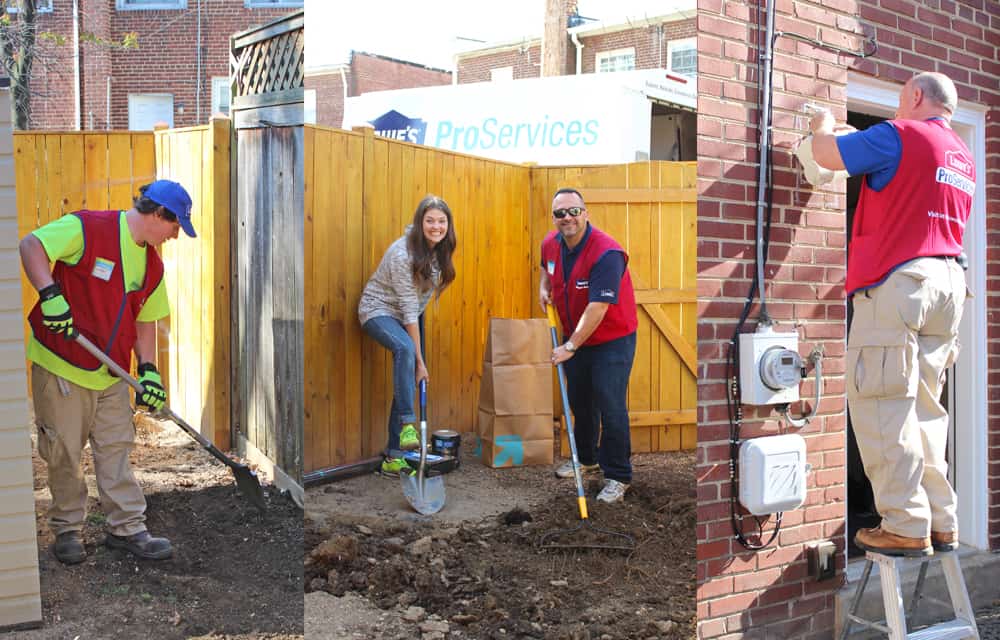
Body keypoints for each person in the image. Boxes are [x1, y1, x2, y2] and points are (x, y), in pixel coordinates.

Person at [810, 72, 974, 556]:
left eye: (901, 102)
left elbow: (826, 155)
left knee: (883, 403)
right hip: (948, 284)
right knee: (926, 410)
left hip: (901, 282)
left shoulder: (900, 134)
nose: (896, 111)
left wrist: (822, 124)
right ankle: (940, 520)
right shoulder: (962, 157)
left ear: (917, 97)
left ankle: (904, 523)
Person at [20, 180, 196, 564]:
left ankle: (127, 528)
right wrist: (50, 296)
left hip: (110, 372)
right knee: (64, 451)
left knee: (116, 449)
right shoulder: (88, 228)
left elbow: (145, 320)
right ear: (157, 215)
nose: (175, 235)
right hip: (62, 363)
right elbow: (31, 245)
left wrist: (148, 371)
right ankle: (67, 529)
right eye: (175, 225)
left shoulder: (152, 265)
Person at [539, 188, 639, 504]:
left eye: (573, 211)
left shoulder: (607, 253)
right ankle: (586, 459)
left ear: (585, 213)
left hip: (612, 339)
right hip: (576, 338)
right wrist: (544, 288)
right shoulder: (550, 244)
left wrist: (570, 346)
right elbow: (547, 268)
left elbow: (598, 308)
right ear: (554, 218)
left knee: (610, 406)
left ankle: (618, 477)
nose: (567, 217)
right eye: (560, 213)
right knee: (580, 403)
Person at [358, 195, 457, 476]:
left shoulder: (440, 249)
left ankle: (394, 457)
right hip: (378, 311)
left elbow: (417, 305)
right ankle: (408, 425)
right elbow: (408, 307)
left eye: (441, 221)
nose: (436, 226)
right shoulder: (403, 254)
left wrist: (418, 362)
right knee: (406, 353)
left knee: (407, 375)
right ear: (420, 221)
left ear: (448, 225)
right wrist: (420, 361)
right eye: (430, 221)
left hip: (408, 314)